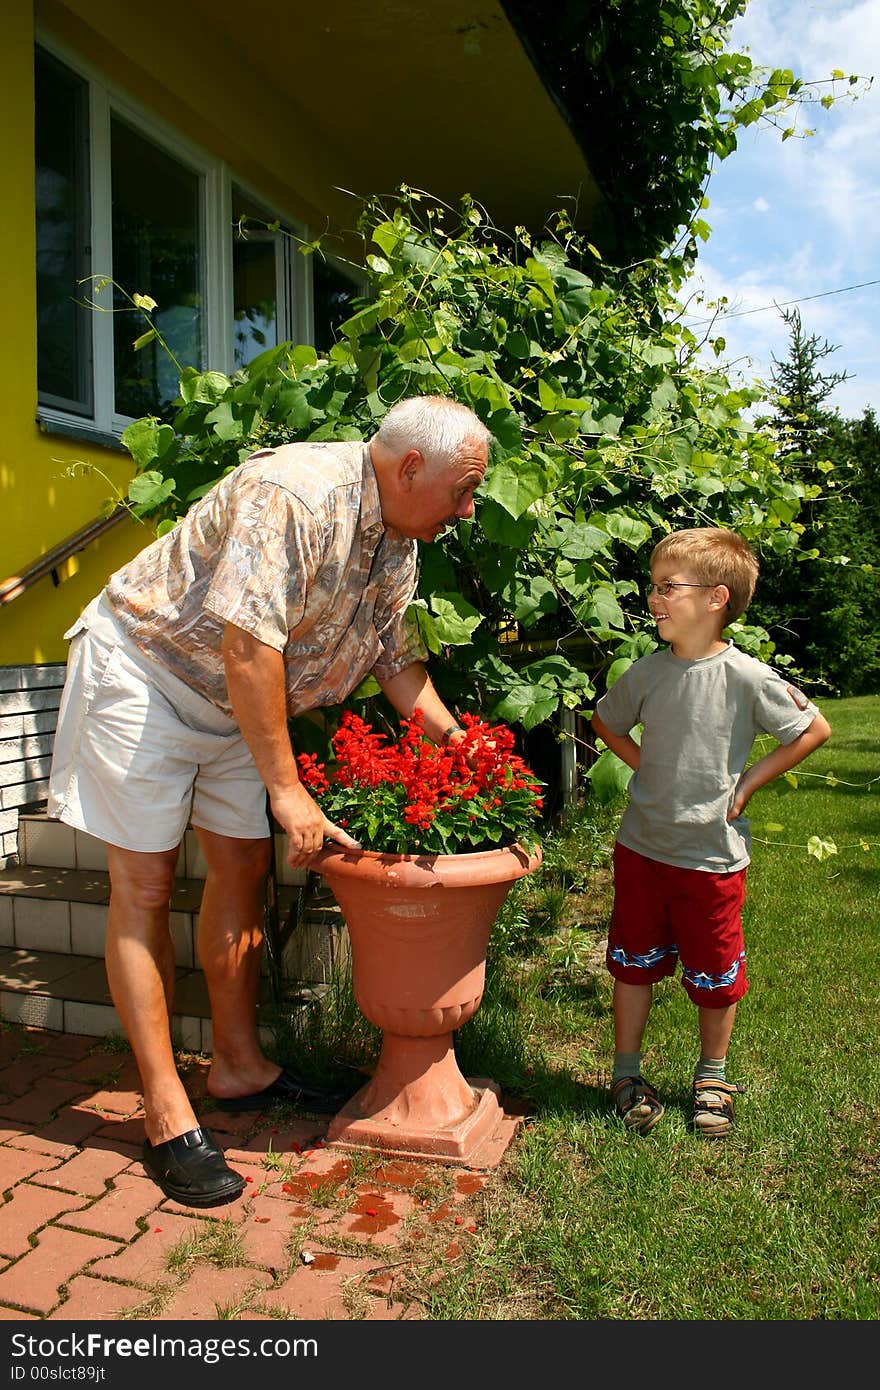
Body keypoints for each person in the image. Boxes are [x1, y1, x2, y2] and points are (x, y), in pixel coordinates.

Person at [47, 394, 490, 1205]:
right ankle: (165, 1114)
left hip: (237, 702)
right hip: (146, 675)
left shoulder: (397, 538)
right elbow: (249, 644)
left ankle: (238, 1066)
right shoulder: (294, 494)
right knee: (142, 887)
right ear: (411, 467)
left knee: (243, 872)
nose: (467, 508)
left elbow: (394, 657)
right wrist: (289, 793)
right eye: (463, 490)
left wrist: (462, 747)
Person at [591, 527, 831, 1140]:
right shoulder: (647, 674)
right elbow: (606, 721)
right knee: (633, 964)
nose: (653, 598)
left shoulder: (746, 677)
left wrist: (746, 784)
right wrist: (644, 765)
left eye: (668, 586)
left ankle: (712, 1076)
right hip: (642, 851)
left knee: (716, 971)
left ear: (717, 598)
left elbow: (811, 730)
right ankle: (625, 1073)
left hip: (711, 859)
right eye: (654, 586)